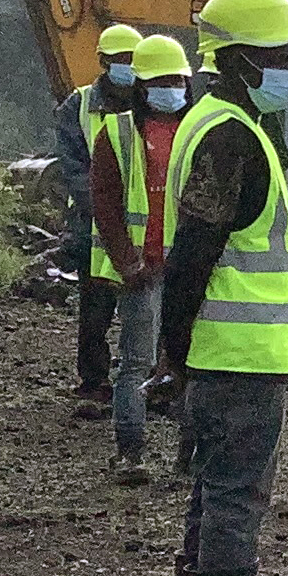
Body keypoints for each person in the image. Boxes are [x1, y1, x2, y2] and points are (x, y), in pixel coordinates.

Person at [156, 0, 288, 576]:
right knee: (231, 505)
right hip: (236, 360)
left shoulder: (220, 124)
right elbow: (192, 257)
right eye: (282, 56)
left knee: (214, 499)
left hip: (228, 359)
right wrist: (175, 354)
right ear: (239, 62)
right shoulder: (231, 137)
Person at [90, 35, 192, 485]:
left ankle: (189, 459)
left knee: (191, 365)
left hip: (187, 268)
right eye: (164, 81)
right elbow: (106, 203)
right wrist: (128, 263)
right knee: (136, 363)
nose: (173, 89)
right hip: (142, 271)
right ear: (143, 85)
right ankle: (130, 453)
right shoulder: (115, 132)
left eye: (179, 81)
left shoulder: (198, 129)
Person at [58, 24, 144, 420]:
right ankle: (94, 381)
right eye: (121, 60)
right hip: (91, 227)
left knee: (144, 309)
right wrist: (105, 209)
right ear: (104, 62)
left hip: (143, 224)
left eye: (133, 60)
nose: (128, 67)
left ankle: (144, 379)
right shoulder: (76, 107)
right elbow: (72, 165)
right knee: (94, 311)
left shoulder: (150, 101)